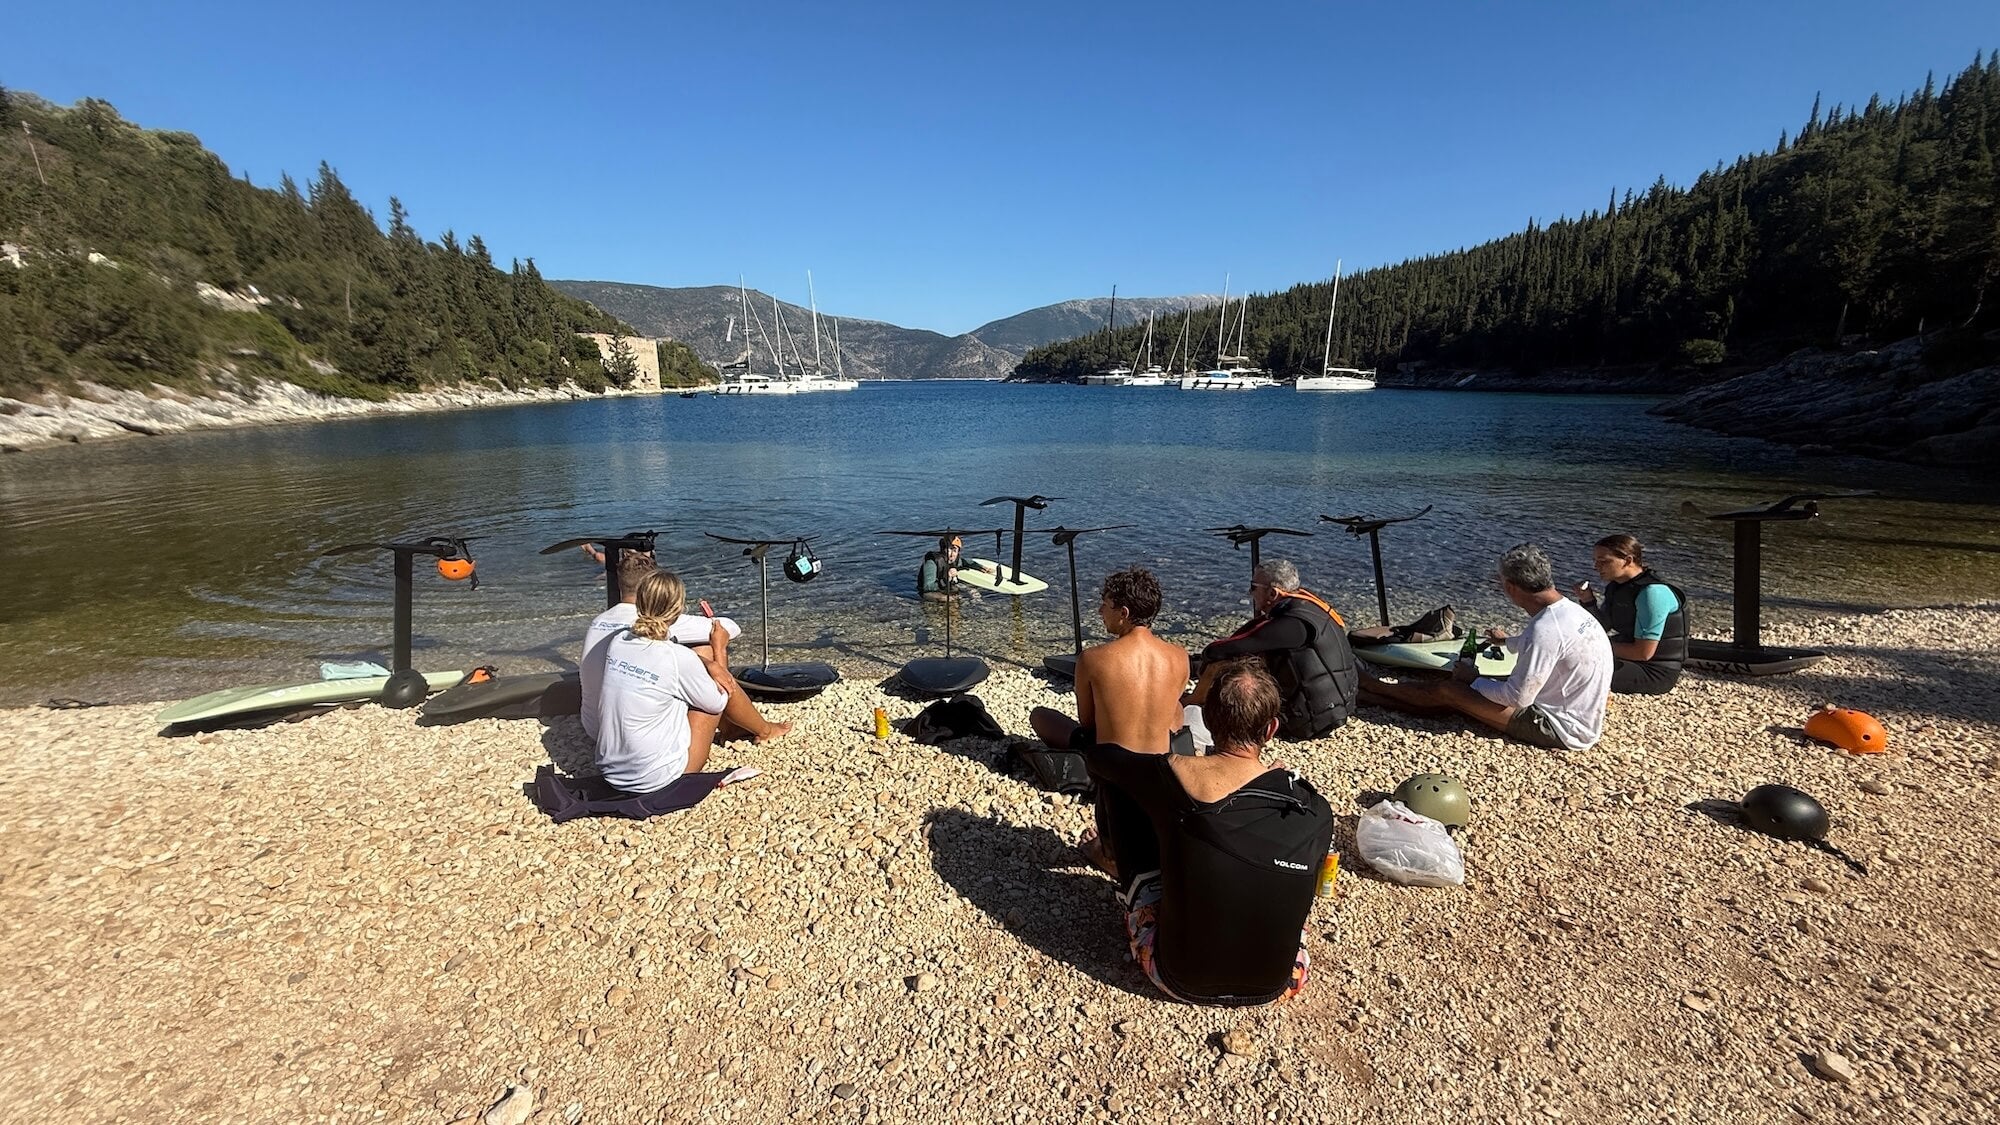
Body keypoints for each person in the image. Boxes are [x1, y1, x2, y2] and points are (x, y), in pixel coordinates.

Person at [1083, 658, 1333, 1006]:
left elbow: (1102, 761)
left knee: (1122, 791)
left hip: (1178, 977)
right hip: (1278, 982)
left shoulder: (1172, 774)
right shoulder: (1315, 809)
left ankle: (1115, 866)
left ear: (1209, 721)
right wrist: (1272, 784)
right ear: (1272, 728)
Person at [1359, 544, 1612, 751]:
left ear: (1511, 587)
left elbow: (1519, 699)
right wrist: (1506, 642)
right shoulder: (1569, 611)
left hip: (1559, 727)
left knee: (1450, 690)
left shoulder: (1545, 629)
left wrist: (1474, 680)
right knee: (1466, 686)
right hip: (1579, 714)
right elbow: (1550, 647)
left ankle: (1373, 688)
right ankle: (1376, 695)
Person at [580, 553, 786, 745]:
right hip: (640, 741)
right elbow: (730, 628)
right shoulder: (658, 618)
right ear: (653, 587)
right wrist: (717, 651)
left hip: (597, 728)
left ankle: (736, 727)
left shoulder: (601, 622)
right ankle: (761, 729)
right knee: (705, 648)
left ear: (619, 582)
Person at [594, 571, 734, 792]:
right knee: (709, 700)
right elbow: (719, 701)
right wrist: (720, 649)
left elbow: (662, 658)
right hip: (656, 780)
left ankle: (747, 728)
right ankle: (745, 729)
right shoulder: (676, 657)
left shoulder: (619, 641)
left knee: (682, 681)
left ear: (639, 604)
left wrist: (707, 664)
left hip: (610, 772)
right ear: (678, 611)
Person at [1190, 560, 1357, 740]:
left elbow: (1221, 650)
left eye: (1253, 587)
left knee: (1226, 662)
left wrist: (1198, 664)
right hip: (1338, 708)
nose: (1249, 592)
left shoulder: (1292, 624)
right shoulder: (1312, 607)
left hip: (1308, 722)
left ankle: (1193, 701)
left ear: (1273, 592)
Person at [1575, 534, 1688, 696]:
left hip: (1654, 672)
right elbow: (1602, 628)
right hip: (1630, 660)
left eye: (1603, 561)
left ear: (1628, 560)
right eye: (1595, 561)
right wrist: (1588, 602)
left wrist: (1593, 647)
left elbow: (1643, 652)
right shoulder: (1616, 587)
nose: (1596, 566)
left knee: (1573, 671)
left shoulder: (1652, 593)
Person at [917, 535, 995, 600]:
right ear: (943, 549)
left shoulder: (955, 560)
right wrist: (947, 578)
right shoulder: (932, 562)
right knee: (947, 599)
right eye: (950, 549)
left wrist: (981, 567)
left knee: (972, 591)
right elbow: (927, 587)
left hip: (945, 586)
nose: (952, 554)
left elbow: (967, 562)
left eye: (955, 550)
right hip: (928, 592)